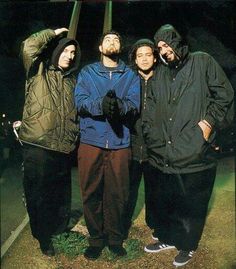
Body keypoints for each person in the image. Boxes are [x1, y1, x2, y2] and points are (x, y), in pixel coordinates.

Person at [143, 24, 234, 267]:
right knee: (170, 198)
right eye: (160, 47)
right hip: (165, 152)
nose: (164, 50)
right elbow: (150, 106)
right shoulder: (160, 72)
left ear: (177, 41)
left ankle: (188, 245)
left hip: (194, 150)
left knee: (192, 203)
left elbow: (225, 95)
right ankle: (169, 238)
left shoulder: (202, 61)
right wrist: (151, 134)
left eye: (167, 44)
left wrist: (208, 125)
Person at [74, 30, 140, 260]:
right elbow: (80, 101)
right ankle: (96, 239)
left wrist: (118, 107)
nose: (112, 42)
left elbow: (134, 104)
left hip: (120, 142)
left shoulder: (130, 75)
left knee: (118, 193)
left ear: (120, 47)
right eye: (107, 39)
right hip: (91, 141)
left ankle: (114, 238)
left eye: (117, 39)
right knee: (91, 191)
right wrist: (100, 105)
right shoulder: (87, 72)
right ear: (100, 48)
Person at [18, 27, 80, 256]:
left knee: (61, 193)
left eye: (73, 53)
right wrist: (52, 33)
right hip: (39, 145)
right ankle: (43, 237)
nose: (70, 56)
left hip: (63, 146)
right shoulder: (38, 69)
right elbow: (28, 47)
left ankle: (59, 229)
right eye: (66, 51)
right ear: (56, 52)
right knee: (39, 195)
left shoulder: (72, 81)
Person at [123, 39, 158, 239]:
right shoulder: (128, 80)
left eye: (148, 54)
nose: (144, 59)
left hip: (155, 147)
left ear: (154, 57)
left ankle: (155, 225)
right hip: (132, 145)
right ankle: (123, 223)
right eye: (140, 55)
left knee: (155, 190)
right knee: (128, 189)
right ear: (135, 59)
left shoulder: (162, 79)